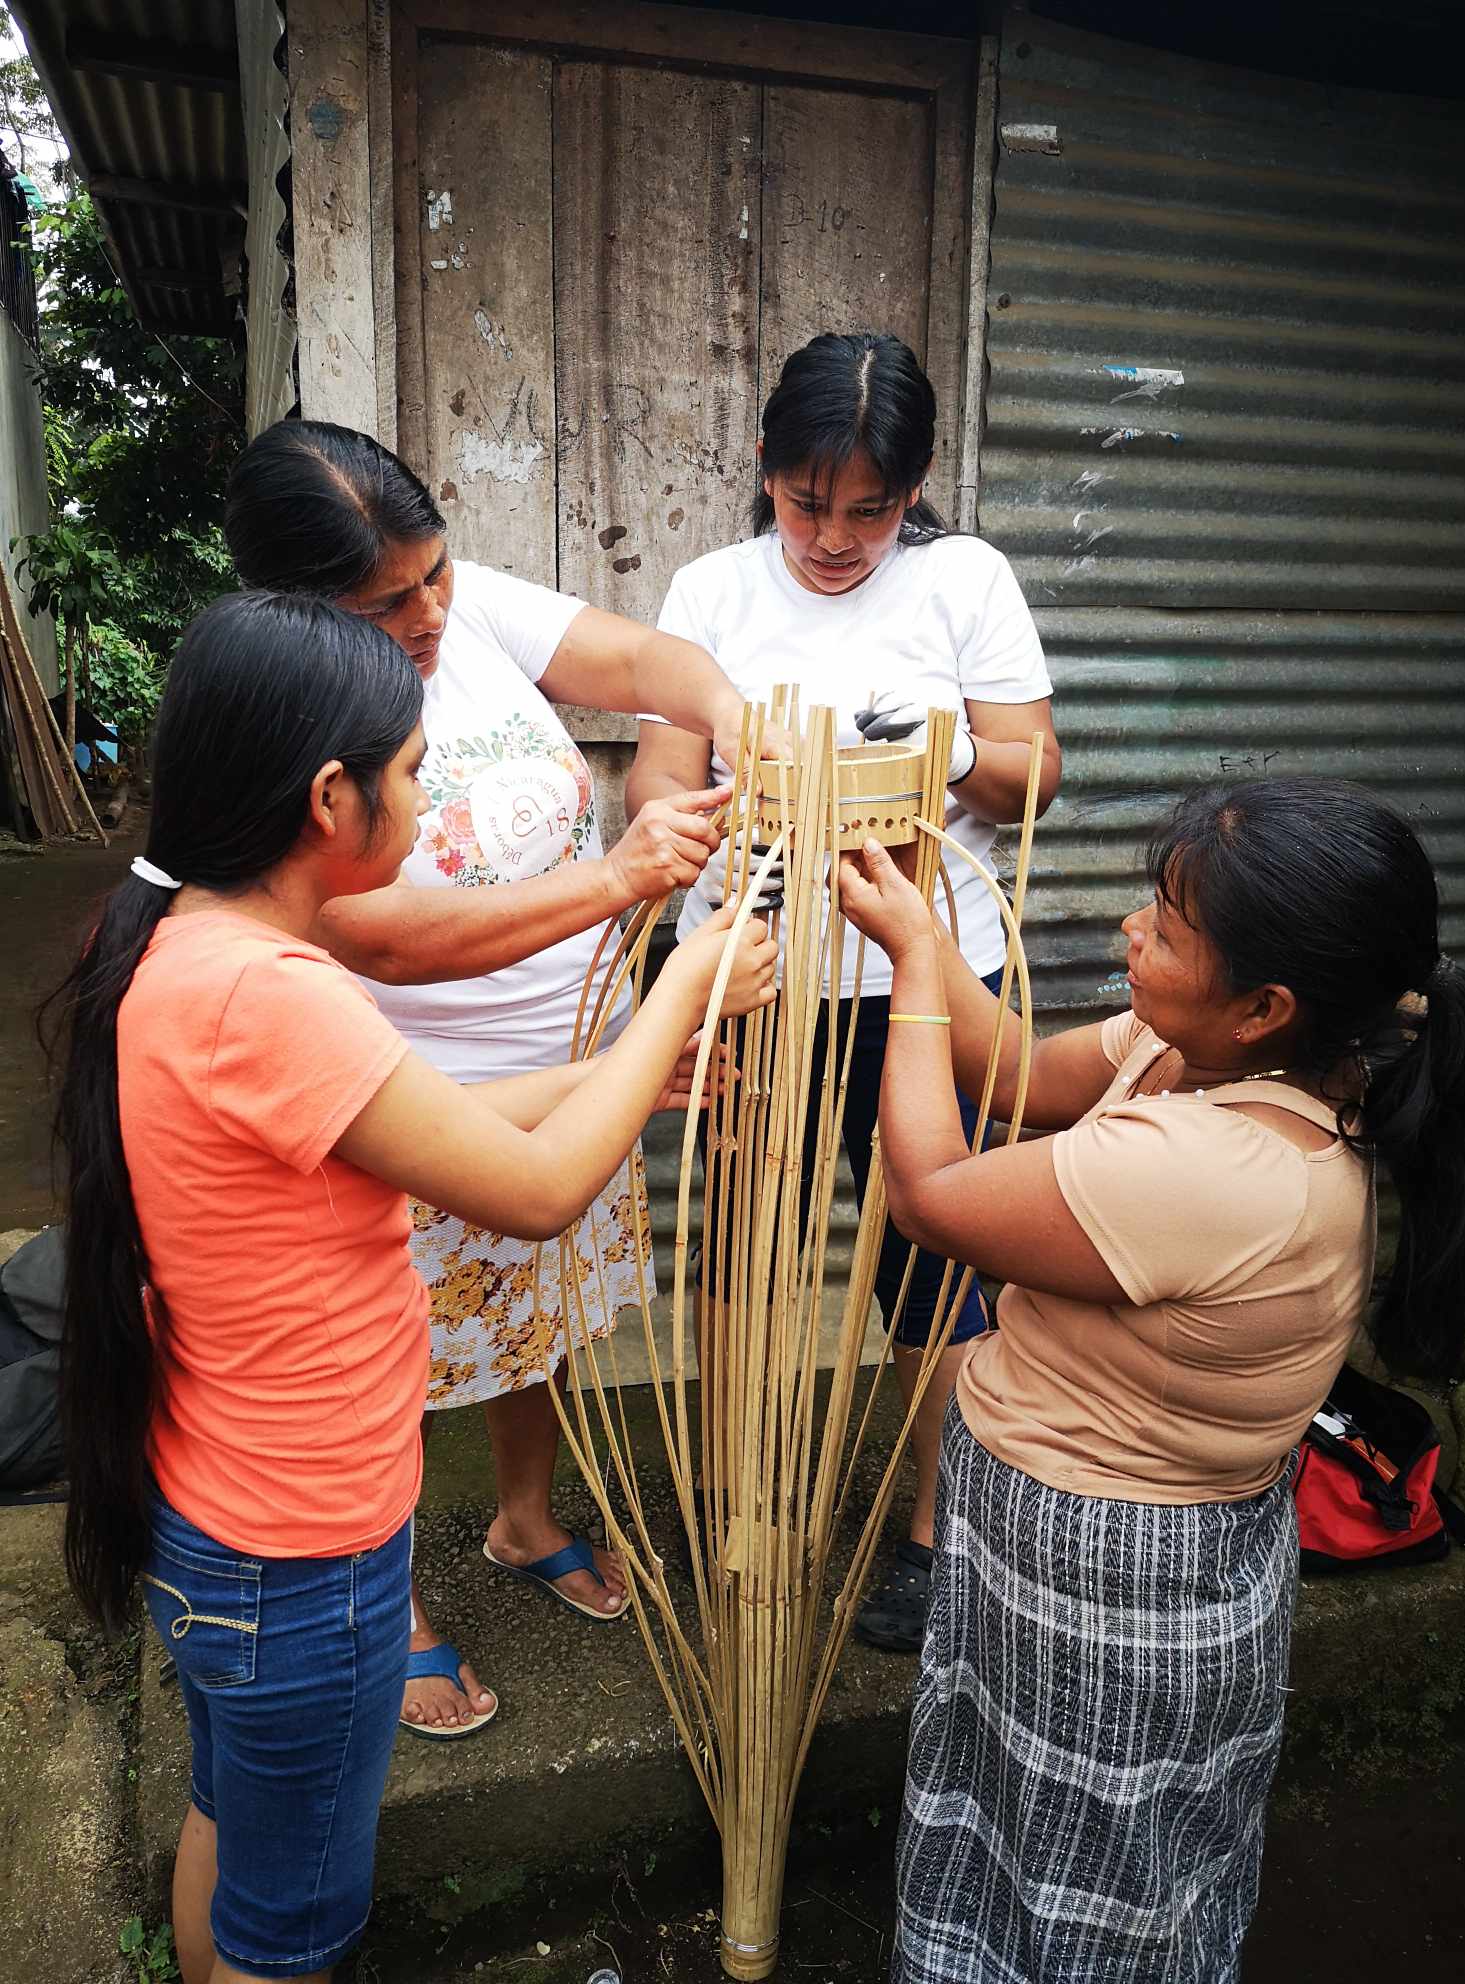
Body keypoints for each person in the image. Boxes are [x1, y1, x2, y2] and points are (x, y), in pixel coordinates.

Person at [52, 590, 776, 1984]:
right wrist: (680, 987)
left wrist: (620, 1073)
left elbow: (422, 1115)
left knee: (232, 1821)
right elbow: (541, 1190)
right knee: (290, 1933)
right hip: (302, 1559)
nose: (426, 781)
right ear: (331, 801)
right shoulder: (278, 990)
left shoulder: (193, 948)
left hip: (227, 1524)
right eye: (405, 768)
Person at [834, 778, 1465, 1983]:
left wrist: (913, 976)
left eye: (1169, 928)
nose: (1132, 930)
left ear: (1264, 1005)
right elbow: (1018, 1069)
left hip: (1110, 1578)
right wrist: (925, 936)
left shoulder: (1222, 1167)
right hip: (1058, 1540)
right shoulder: (1196, 1054)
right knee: (1023, 1823)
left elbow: (929, 1196)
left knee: (1092, 1882)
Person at [224, 420, 782, 1736]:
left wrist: (740, 719)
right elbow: (374, 937)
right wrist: (622, 877)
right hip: (408, 1087)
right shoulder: (286, 705)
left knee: (542, 1317)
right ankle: (391, 1596)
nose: (424, 616)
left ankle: (525, 1521)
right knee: (389, 1359)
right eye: (386, 601)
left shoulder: (465, 613)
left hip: (578, 1050)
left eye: (435, 578)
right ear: (302, 611)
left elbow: (653, 659)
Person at [627, 331, 1060, 1651]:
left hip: (919, 979)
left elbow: (1033, 772)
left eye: (868, 510)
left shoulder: (964, 581)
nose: (833, 539)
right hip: (753, 967)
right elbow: (654, 775)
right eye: (808, 504)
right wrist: (689, 822)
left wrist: (926, 760)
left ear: (914, 485)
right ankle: (735, 1503)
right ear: (765, 473)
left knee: (934, 1256)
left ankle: (936, 1534)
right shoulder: (710, 590)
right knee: (741, 1244)